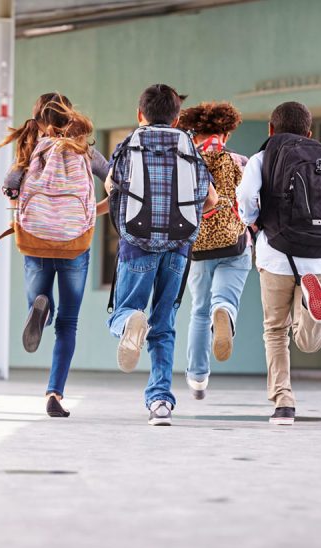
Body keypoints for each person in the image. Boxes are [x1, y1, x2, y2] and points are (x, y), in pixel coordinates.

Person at [237, 101, 321, 425]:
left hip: (275, 254)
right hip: (318, 260)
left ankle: (284, 402)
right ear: (309, 131)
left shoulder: (262, 158)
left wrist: (251, 220)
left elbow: (247, 196)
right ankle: (310, 309)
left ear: (271, 130)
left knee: (275, 331)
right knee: (308, 341)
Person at [104, 84, 218, 426]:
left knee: (122, 311)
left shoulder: (129, 144)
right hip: (179, 246)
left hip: (136, 243)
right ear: (177, 117)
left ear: (140, 115)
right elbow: (210, 198)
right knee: (164, 323)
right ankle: (160, 403)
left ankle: (129, 323)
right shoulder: (188, 145)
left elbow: (111, 187)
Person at [0, 92, 108, 418]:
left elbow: (11, 188)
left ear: (39, 121)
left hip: (36, 239)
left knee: (39, 300)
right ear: (69, 117)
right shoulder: (84, 149)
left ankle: (39, 307)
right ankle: (55, 393)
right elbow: (115, 181)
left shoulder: (30, 150)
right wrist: (94, 211)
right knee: (69, 324)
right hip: (75, 241)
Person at [176, 102, 251, 400]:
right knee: (224, 299)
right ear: (227, 132)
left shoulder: (186, 161)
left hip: (197, 247)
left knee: (198, 310)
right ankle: (226, 312)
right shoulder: (238, 160)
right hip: (233, 243)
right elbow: (250, 203)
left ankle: (197, 378)